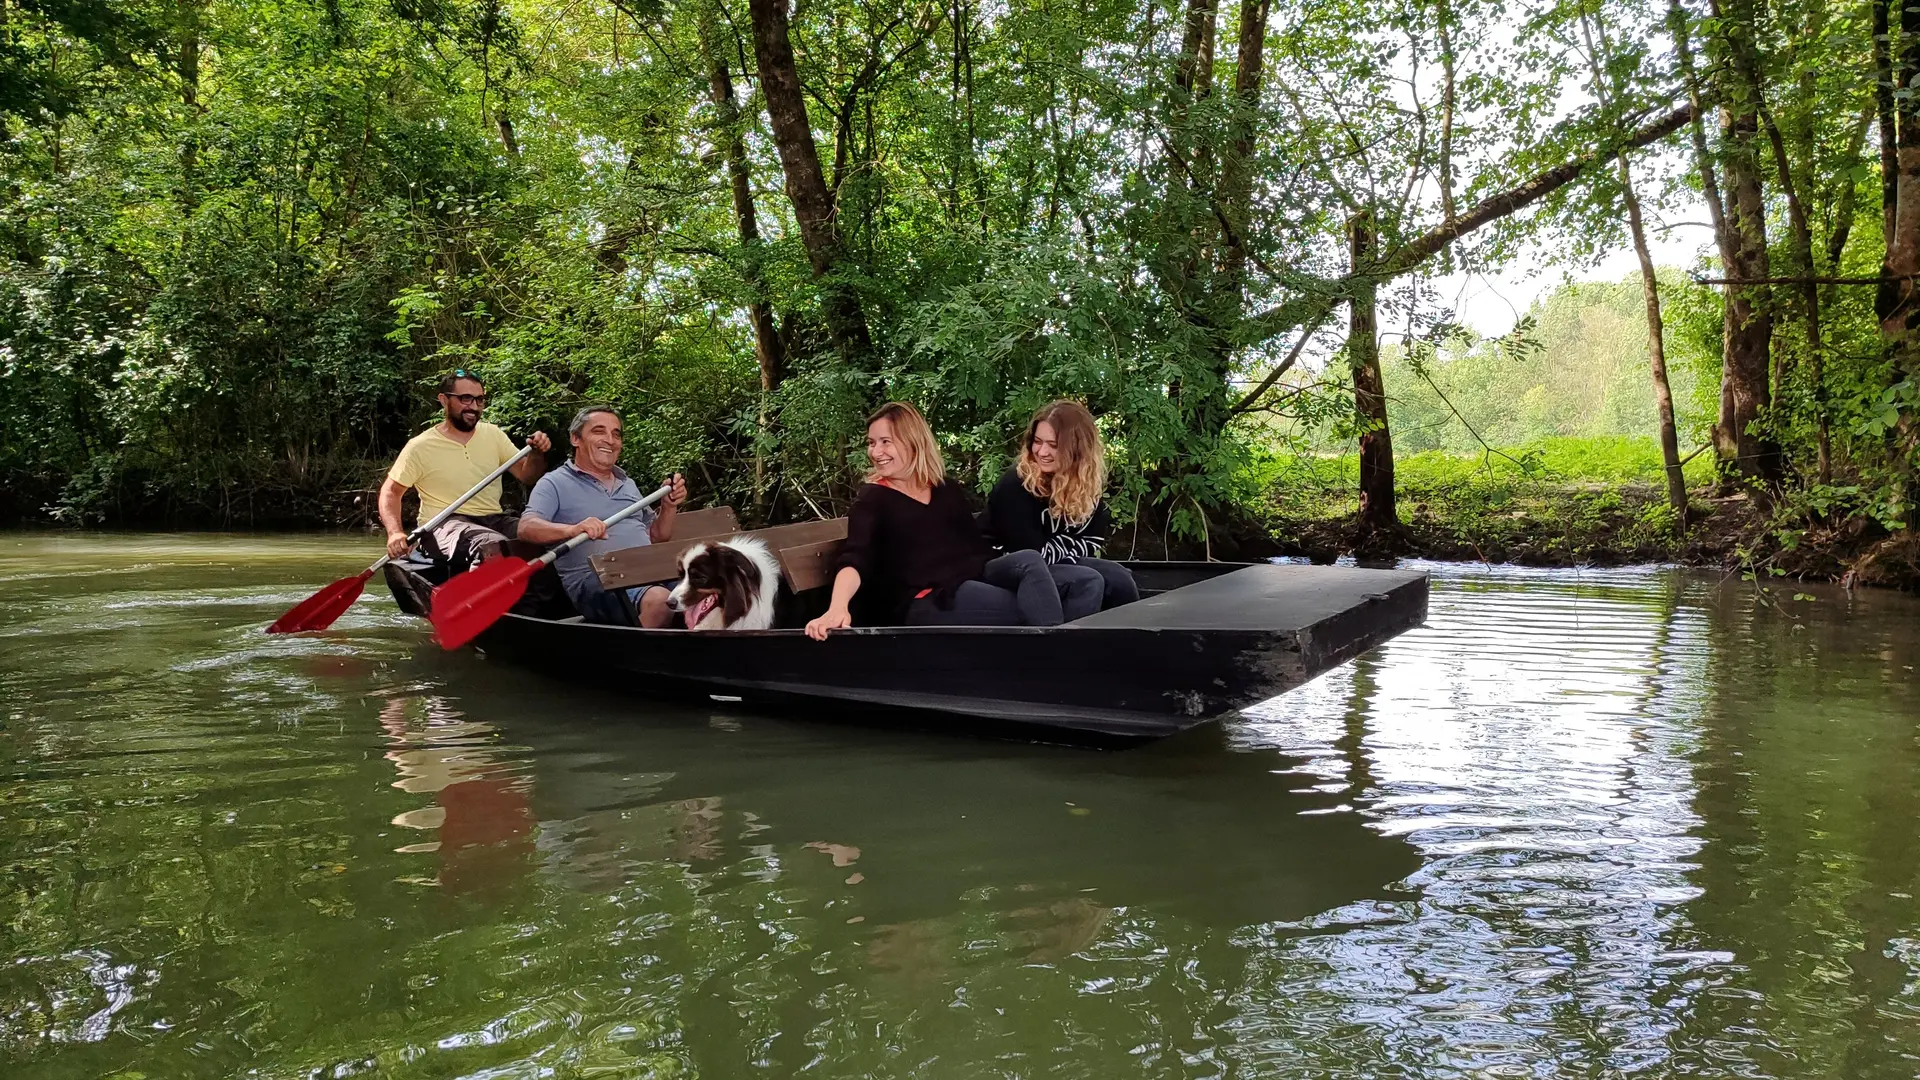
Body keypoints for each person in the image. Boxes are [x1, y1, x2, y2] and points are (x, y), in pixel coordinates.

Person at [805, 402, 1101, 640]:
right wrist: (836, 608)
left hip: (971, 577)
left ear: (913, 442)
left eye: (886, 442)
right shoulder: (874, 499)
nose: (875, 452)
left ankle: (1066, 653)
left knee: (1081, 579)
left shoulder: (945, 488)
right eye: (872, 443)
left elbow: (974, 550)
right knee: (1029, 606)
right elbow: (855, 558)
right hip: (928, 599)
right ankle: (1060, 660)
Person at [518, 405, 688, 627]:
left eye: (616, 434)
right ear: (575, 438)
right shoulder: (553, 483)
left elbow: (657, 536)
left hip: (649, 569)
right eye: (599, 431)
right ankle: (640, 659)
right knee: (658, 599)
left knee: (710, 589)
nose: (610, 440)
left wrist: (668, 507)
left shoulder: (628, 484)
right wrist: (573, 529)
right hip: (599, 579)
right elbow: (525, 527)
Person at [380, 370, 552, 573]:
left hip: (494, 518)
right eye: (466, 399)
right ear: (444, 400)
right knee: (492, 545)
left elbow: (527, 475)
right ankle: (487, 602)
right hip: (442, 525)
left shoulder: (493, 434)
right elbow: (391, 492)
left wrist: (537, 454)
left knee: (542, 534)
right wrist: (395, 533)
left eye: (479, 400)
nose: (474, 407)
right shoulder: (420, 446)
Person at [986, 400, 1139, 609]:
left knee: (1120, 578)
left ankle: (1129, 639)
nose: (1041, 452)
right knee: (1087, 581)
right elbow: (1032, 555)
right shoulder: (1016, 484)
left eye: (1053, 445)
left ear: (1077, 450)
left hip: (1049, 562)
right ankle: (1068, 641)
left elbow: (1090, 544)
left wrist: (1061, 546)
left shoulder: (1086, 488)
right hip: (1003, 564)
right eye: (1037, 442)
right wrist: (1068, 544)